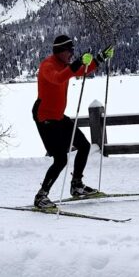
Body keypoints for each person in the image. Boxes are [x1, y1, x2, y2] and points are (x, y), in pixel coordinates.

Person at [32, 34, 115, 209]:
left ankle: (76, 185)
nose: (72, 53)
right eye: (69, 50)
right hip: (45, 118)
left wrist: (99, 58)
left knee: (84, 146)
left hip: (59, 116)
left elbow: (81, 71)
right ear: (60, 50)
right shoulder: (47, 66)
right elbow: (58, 78)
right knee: (61, 159)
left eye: (73, 50)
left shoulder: (64, 65)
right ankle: (41, 196)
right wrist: (77, 63)